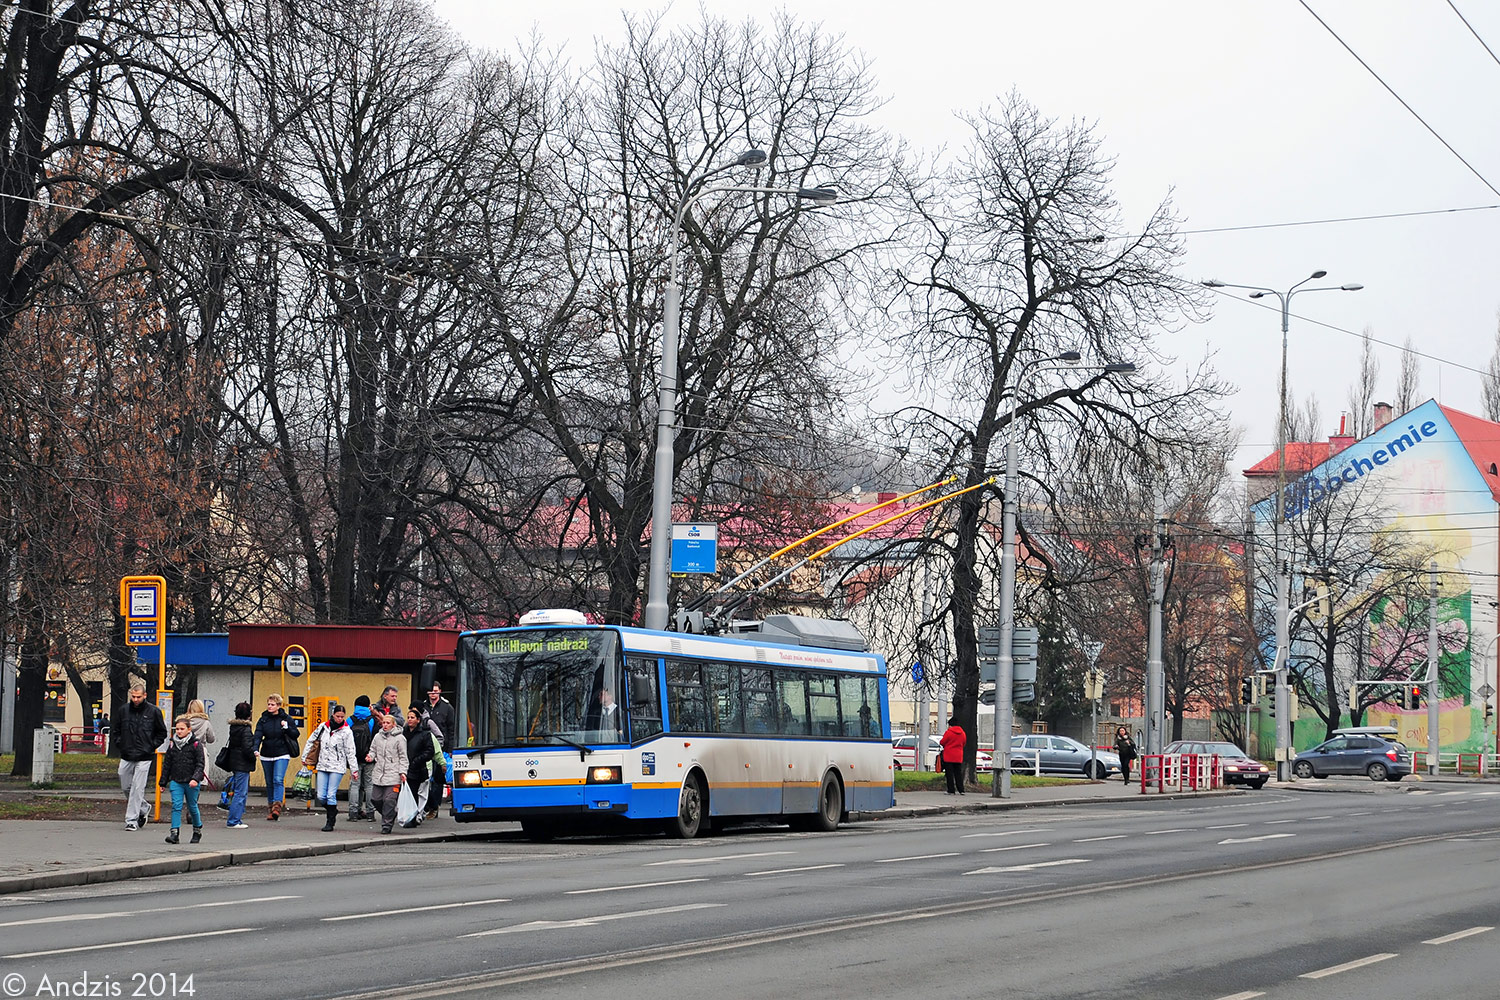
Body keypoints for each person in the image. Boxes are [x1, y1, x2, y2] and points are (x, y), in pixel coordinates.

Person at [116, 683, 168, 831]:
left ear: (144, 696)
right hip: (127, 754)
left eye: (138, 696)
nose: (135, 699)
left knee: (138, 788)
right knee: (125, 785)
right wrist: (120, 744)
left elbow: (161, 733)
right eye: (133, 696)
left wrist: (151, 746)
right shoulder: (123, 711)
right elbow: (117, 730)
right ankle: (143, 807)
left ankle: (131, 819)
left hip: (145, 755)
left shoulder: (153, 711)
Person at [304, 704, 359, 832]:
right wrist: (305, 756)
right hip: (323, 764)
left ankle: (330, 821)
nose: (340, 719)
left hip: (337, 766)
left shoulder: (347, 731)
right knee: (321, 795)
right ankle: (332, 810)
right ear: (333, 715)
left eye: (342, 717)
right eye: (337, 716)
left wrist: (354, 769)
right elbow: (311, 740)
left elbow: (351, 751)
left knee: (330, 794)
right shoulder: (323, 727)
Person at [252, 693, 300, 820]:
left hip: (282, 753)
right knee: (269, 782)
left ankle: (277, 807)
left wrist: (286, 728)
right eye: (268, 704)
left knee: (278, 779)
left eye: (272, 704)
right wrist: (255, 749)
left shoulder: (286, 718)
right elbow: (257, 735)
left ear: (278, 705)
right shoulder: (263, 719)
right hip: (266, 753)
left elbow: (295, 734)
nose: (269, 706)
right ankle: (270, 808)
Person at [158, 717, 205, 845]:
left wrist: (195, 778)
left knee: (192, 806)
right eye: (177, 729)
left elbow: (200, 764)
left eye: (182, 729)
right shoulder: (173, 744)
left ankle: (197, 830)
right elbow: (167, 764)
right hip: (176, 780)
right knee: (176, 806)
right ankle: (174, 833)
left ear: (189, 729)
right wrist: (163, 782)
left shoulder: (196, 744)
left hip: (191, 781)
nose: (179, 731)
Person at [366, 710, 409, 834]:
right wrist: (370, 756)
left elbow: (403, 757)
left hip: (393, 774)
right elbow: (373, 749)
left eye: (387, 723)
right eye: (383, 723)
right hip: (379, 773)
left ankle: (387, 824)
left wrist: (403, 772)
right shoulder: (377, 736)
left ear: (393, 725)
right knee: (375, 799)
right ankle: (389, 814)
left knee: (389, 800)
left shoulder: (400, 738)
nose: (384, 725)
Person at [421, 681, 456, 819]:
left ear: (440, 691)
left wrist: (450, 749)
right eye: (431, 691)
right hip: (424, 747)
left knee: (437, 779)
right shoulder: (423, 706)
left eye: (435, 691)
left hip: (441, 748)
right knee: (425, 778)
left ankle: (433, 808)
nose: (433, 694)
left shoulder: (447, 708)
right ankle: (427, 806)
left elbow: (451, 730)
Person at [223, 701, 256, 829]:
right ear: (249, 714)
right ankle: (234, 820)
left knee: (238, 791)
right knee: (240, 792)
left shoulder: (234, 727)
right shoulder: (246, 729)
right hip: (243, 763)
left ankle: (236, 818)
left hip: (234, 761)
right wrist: (254, 755)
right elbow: (247, 748)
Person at [402, 707, 435, 825]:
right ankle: (406, 815)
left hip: (417, 768)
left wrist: (417, 761)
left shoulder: (424, 734)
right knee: (405, 793)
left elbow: (429, 751)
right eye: (408, 717)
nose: (410, 720)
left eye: (412, 718)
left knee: (413, 793)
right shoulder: (403, 732)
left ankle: (413, 818)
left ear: (418, 720)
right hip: (404, 766)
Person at [347, 695, 377, 821]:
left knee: (355, 784)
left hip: (354, 757)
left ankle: (354, 812)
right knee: (369, 785)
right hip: (369, 757)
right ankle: (370, 813)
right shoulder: (372, 720)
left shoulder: (350, 720)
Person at [939, 716, 967, 795]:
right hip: (958, 756)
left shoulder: (949, 732)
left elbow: (942, 742)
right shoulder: (963, 733)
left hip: (949, 755)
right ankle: (961, 790)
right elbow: (964, 743)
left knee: (949, 773)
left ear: (950, 724)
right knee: (958, 773)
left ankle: (951, 790)